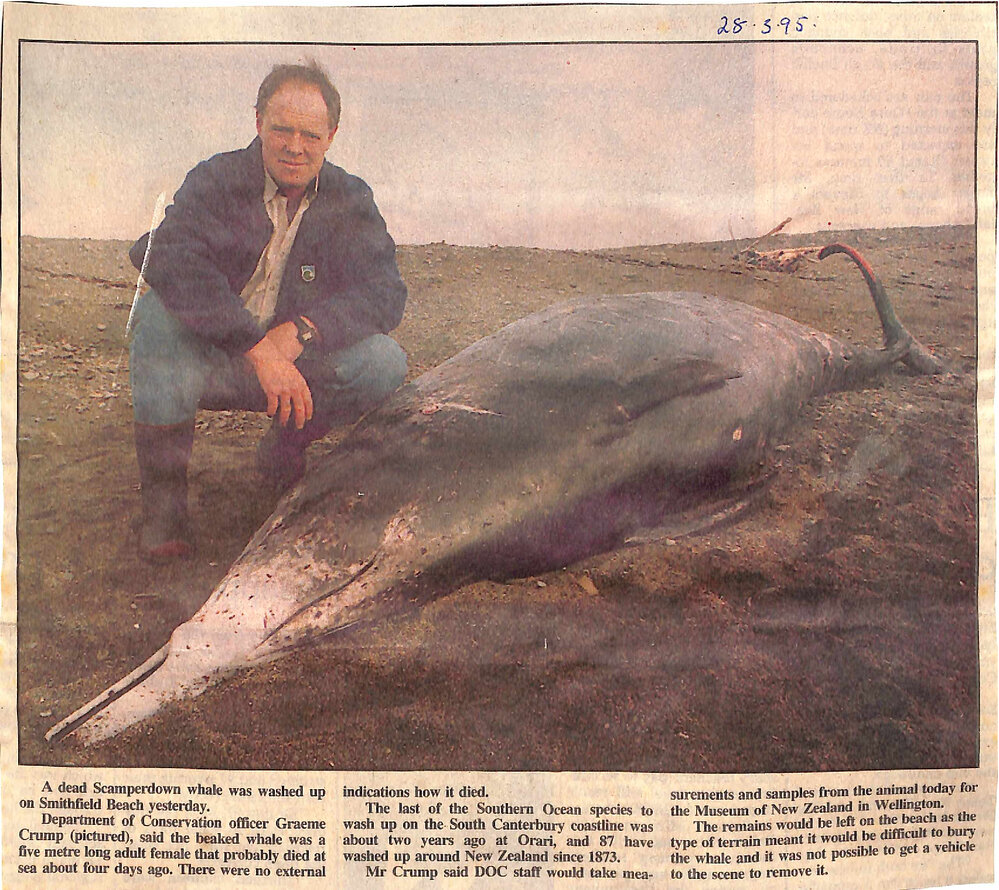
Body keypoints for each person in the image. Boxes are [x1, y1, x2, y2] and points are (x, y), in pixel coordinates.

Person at [128, 61, 408, 562]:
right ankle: (165, 509)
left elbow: (386, 291)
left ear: (332, 136)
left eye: (309, 134)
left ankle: (284, 449)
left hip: (293, 372)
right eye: (281, 129)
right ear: (258, 122)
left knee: (384, 362)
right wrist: (255, 346)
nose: (294, 146)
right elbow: (162, 255)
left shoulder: (352, 199)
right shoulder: (216, 179)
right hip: (211, 362)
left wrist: (302, 331)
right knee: (154, 320)